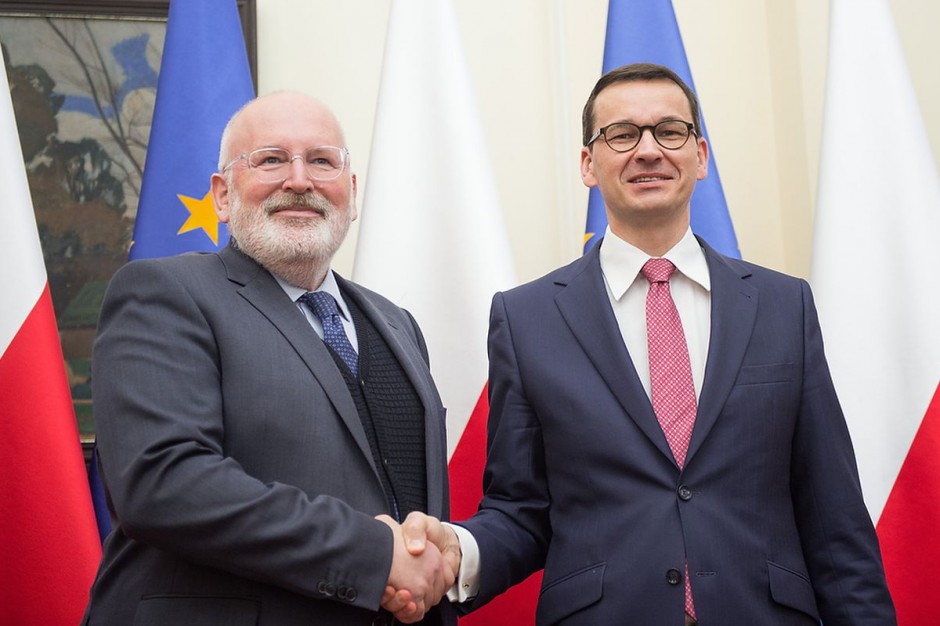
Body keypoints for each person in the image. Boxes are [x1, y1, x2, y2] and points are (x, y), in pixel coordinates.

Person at [398, 63, 897, 625]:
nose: (648, 150)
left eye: (670, 131)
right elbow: (521, 509)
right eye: (622, 135)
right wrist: (461, 552)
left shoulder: (784, 306)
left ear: (700, 155)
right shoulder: (525, 318)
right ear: (589, 163)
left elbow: (834, 517)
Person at [81, 91, 457, 626]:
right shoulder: (164, 294)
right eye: (271, 159)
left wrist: (423, 562)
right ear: (222, 194)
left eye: (322, 160)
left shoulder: (396, 322)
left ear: (351, 193)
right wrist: (373, 555)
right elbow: (162, 482)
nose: (299, 180)